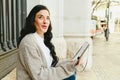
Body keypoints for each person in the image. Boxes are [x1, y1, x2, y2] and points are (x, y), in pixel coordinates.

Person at [17, 5, 80, 80]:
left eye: (47, 18)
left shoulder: (43, 40)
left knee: (72, 71)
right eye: (40, 17)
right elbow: (38, 75)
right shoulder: (28, 42)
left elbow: (52, 64)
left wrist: (71, 63)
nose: (45, 21)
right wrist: (66, 69)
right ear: (33, 20)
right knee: (70, 76)